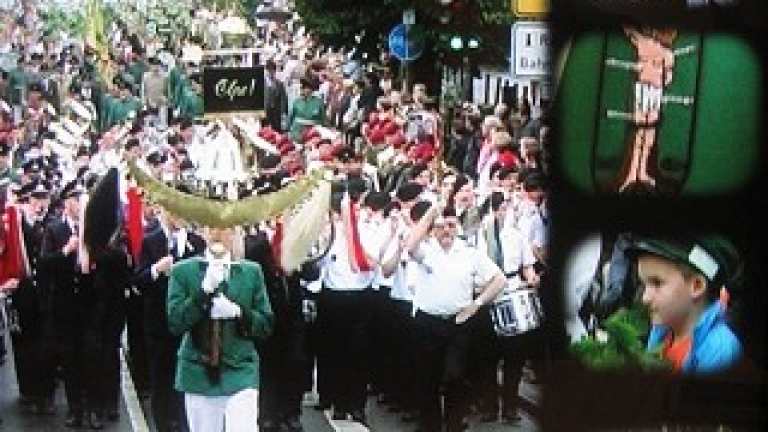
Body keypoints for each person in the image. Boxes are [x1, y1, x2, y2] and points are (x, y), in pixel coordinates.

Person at [405, 202, 506, 432]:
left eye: (451, 225)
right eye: (440, 227)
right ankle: (430, 425)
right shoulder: (426, 250)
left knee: (455, 376)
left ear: (458, 226)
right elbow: (410, 245)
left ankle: (453, 423)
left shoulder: (470, 253)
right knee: (426, 378)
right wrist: (431, 213)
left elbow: (499, 279)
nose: (446, 231)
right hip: (427, 322)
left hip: (458, 324)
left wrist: (477, 304)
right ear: (432, 230)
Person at [167, 226, 274, 432]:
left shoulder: (251, 271)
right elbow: (176, 322)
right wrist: (203, 291)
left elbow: (265, 325)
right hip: (198, 372)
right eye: (211, 227)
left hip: (241, 369)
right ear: (202, 232)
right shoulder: (184, 270)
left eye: (225, 228)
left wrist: (239, 312)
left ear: (234, 232)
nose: (217, 234)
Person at [629, 235, 743, 374]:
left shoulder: (720, 351)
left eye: (657, 283)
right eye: (644, 284)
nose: (645, 298)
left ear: (697, 286)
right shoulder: (661, 330)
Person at [136, 207, 205, 432]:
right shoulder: (151, 241)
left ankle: (185, 422)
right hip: (159, 322)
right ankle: (164, 423)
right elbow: (139, 280)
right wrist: (157, 269)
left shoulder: (196, 243)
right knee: (162, 377)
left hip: (189, 322)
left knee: (187, 376)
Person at [264, 59, 288, 132]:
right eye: (269, 70)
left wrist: (283, 112)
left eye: (273, 70)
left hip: (276, 112)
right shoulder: (261, 83)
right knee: (265, 131)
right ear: (266, 70)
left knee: (277, 131)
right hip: (265, 111)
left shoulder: (279, 83)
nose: (271, 72)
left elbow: (283, 99)